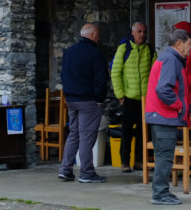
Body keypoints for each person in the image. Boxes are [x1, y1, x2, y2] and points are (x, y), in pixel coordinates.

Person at [145, 26, 191, 205]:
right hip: (164, 116)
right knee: (165, 157)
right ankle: (160, 194)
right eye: (189, 44)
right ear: (179, 44)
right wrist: (178, 106)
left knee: (162, 156)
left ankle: (161, 192)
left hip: (159, 116)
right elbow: (163, 89)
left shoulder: (167, 58)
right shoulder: (171, 60)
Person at [57, 22, 109, 184]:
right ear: (92, 35)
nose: (98, 38)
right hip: (89, 101)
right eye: (98, 35)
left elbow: (63, 75)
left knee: (74, 134)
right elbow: (101, 79)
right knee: (87, 136)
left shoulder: (69, 52)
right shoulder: (95, 54)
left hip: (71, 99)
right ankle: (86, 172)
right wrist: (100, 99)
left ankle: (65, 170)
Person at [110, 21, 153, 172]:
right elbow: (115, 72)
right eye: (139, 31)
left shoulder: (149, 50)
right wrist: (120, 95)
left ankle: (140, 161)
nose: (143, 34)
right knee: (126, 131)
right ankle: (125, 162)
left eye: (144, 32)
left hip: (145, 99)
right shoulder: (124, 48)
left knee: (143, 131)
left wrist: (152, 95)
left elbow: (155, 73)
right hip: (128, 97)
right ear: (133, 33)